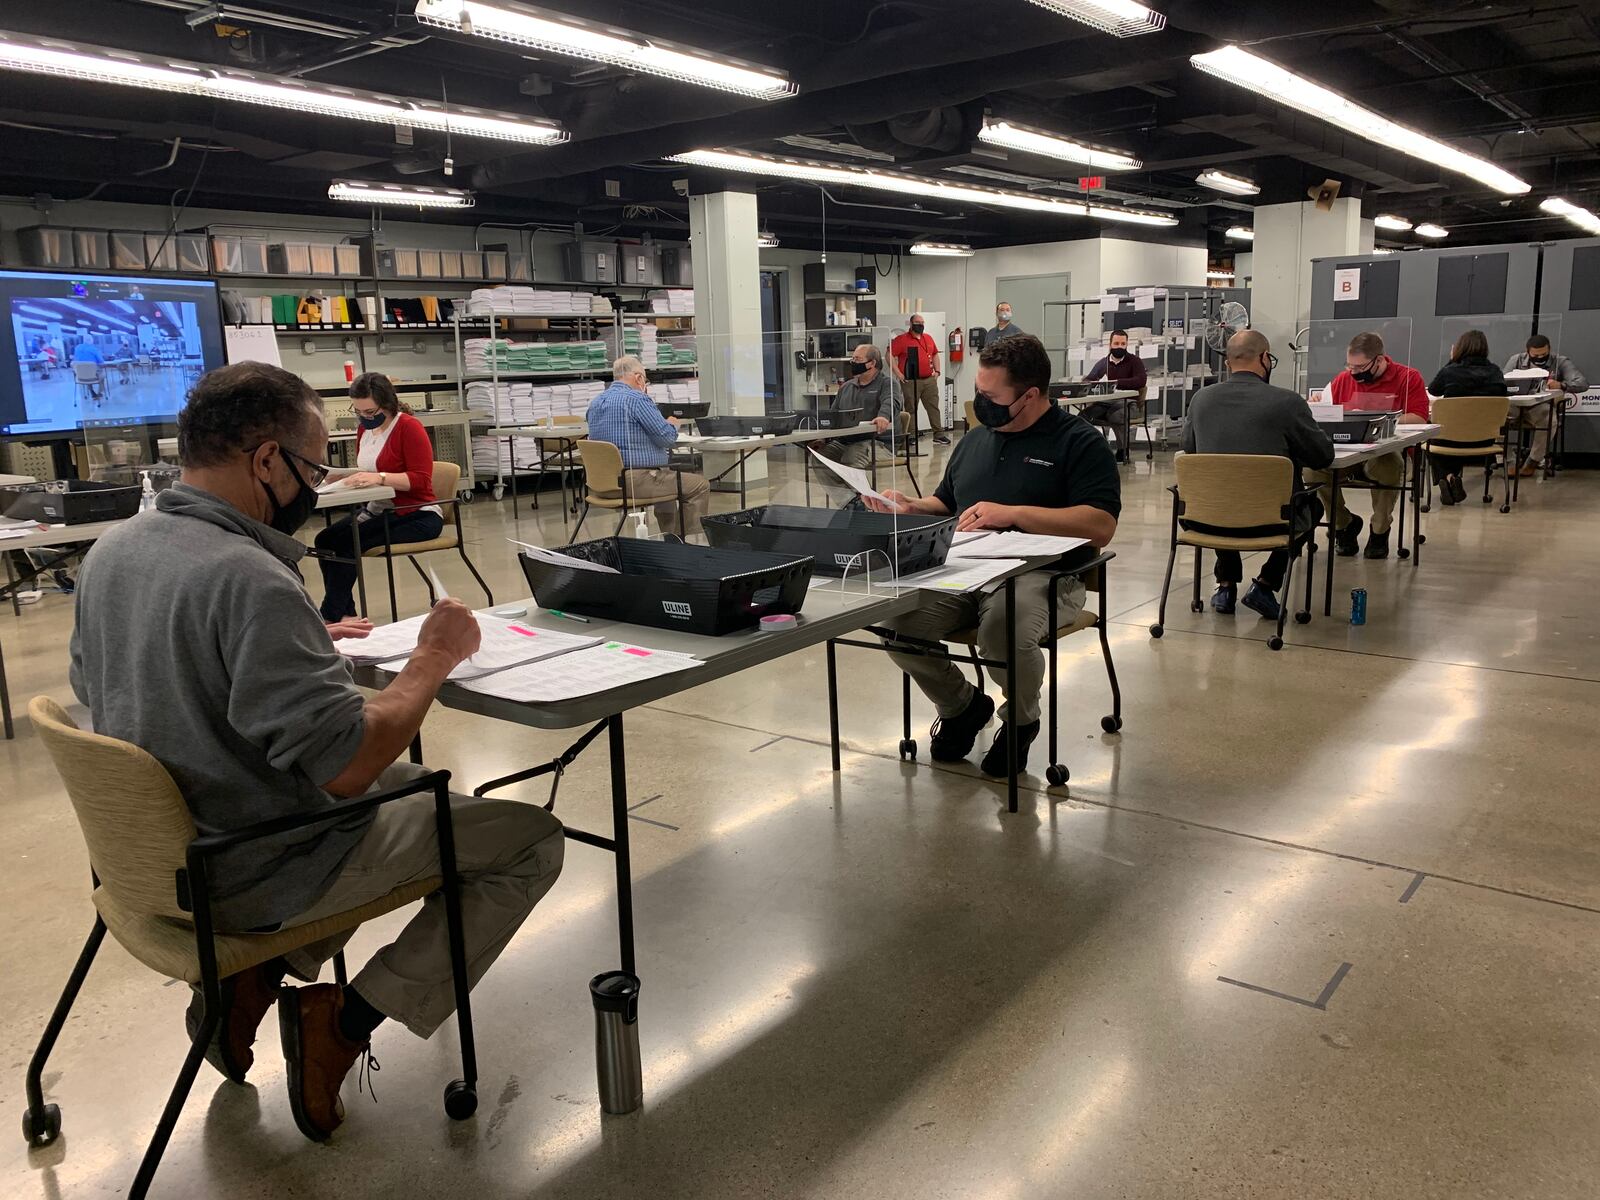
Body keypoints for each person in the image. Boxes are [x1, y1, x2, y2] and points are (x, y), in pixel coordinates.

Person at [68, 362, 564, 1143]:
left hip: (162, 859)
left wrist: (300, 645)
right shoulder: (248, 579)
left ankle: (252, 977)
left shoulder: (113, 552)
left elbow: (121, 680)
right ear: (266, 461)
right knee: (528, 843)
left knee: (423, 787)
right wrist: (434, 655)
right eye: (311, 466)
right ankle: (344, 1017)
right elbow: (348, 765)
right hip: (258, 862)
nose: (317, 484)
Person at [868, 335, 1119, 777]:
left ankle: (1021, 721)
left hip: (1045, 575)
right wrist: (908, 506)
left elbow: (1100, 525)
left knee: (1003, 629)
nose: (981, 404)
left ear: (1031, 395)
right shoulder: (975, 440)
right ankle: (963, 705)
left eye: (991, 396)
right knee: (896, 625)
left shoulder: (1078, 442)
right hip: (968, 570)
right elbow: (948, 503)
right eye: (978, 393)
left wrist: (1015, 514)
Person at [1184, 331, 1334, 619]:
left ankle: (1226, 586)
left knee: (1224, 491)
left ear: (1228, 363)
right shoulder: (1287, 402)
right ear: (1265, 358)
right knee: (1312, 505)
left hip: (1206, 520)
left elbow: (1189, 450)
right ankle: (1266, 584)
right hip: (1272, 523)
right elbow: (1322, 456)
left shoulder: (1200, 400)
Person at [312, 374, 444, 622]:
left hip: (417, 514)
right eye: (359, 411)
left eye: (371, 411)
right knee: (325, 539)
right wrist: (345, 477)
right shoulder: (365, 429)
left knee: (347, 542)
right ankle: (345, 613)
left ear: (387, 404)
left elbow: (420, 480)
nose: (365, 417)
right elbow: (370, 470)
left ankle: (331, 615)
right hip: (379, 510)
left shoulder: (408, 427)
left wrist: (380, 478)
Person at [1307, 331, 1428, 560]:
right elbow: (1325, 416)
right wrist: (1319, 406)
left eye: (1360, 368)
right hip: (1349, 453)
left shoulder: (1408, 378)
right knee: (1311, 469)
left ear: (1380, 360)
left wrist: (1378, 420)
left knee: (1388, 464)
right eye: (1350, 366)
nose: (1354, 373)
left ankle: (1379, 530)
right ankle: (1343, 525)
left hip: (1389, 453)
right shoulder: (1343, 380)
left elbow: (1419, 418)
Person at [585, 355, 710, 537]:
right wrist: (673, 424)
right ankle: (685, 543)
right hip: (633, 482)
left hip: (600, 484)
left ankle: (672, 538)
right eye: (646, 380)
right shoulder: (637, 399)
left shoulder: (595, 403)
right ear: (638, 378)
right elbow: (666, 438)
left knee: (665, 476)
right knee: (699, 485)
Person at [1427, 329, 1506, 505]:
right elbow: (1503, 395)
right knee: (1450, 434)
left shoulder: (1450, 372)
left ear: (1459, 349)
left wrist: (1452, 360)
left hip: (1450, 438)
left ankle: (1448, 477)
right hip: (1485, 439)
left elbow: (1433, 390)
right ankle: (1451, 480)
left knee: (1431, 434)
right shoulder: (1496, 372)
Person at [1503, 333, 1587, 476]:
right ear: (1527, 351)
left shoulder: (1560, 361)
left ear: (1549, 349)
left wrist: (1561, 384)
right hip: (1515, 405)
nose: (1540, 358)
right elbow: (1502, 382)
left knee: (1549, 419)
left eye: (1544, 355)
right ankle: (1508, 461)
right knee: (1494, 415)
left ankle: (1532, 462)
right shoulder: (1516, 360)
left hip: (1539, 406)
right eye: (1536, 355)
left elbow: (1582, 383)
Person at [816, 342, 898, 473]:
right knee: (819, 457)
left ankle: (855, 492)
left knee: (852, 455)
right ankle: (847, 493)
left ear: (872, 363)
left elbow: (890, 401)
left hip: (877, 442)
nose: (853, 363)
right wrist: (823, 437)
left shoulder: (887, 384)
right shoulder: (846, 387)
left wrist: (883, 416)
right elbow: (833, 415)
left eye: (858, 359)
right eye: (852, 359)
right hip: (845, 441)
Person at [1082, 329, 1148, 463]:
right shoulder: (1103, 363)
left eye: (1123, 344)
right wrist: (1092, 383)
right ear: (1110, 344)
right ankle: (1087, 451)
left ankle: (1122, 450)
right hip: (1105, 403)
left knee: (1116, 415)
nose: (1119, 347)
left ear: (1127, 345)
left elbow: (1141, 380)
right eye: (1116, 343)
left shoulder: (1134, 361)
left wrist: (1116, 383)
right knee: (1083, 416)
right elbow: (1088, 380)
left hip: (1130, 403)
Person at [890, 314, 948, 445]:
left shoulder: (928, 338)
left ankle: (938, 434)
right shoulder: (902, 339)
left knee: (933, 407)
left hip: (929, 379)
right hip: (910, 381)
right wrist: (898, 373)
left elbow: (935, 354)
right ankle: (911, 436)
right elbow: (889, 354)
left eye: (922, 322)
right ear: (911, 324)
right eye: (917, 322)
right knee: (911, 408)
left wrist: (937, 372)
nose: (920, 324)